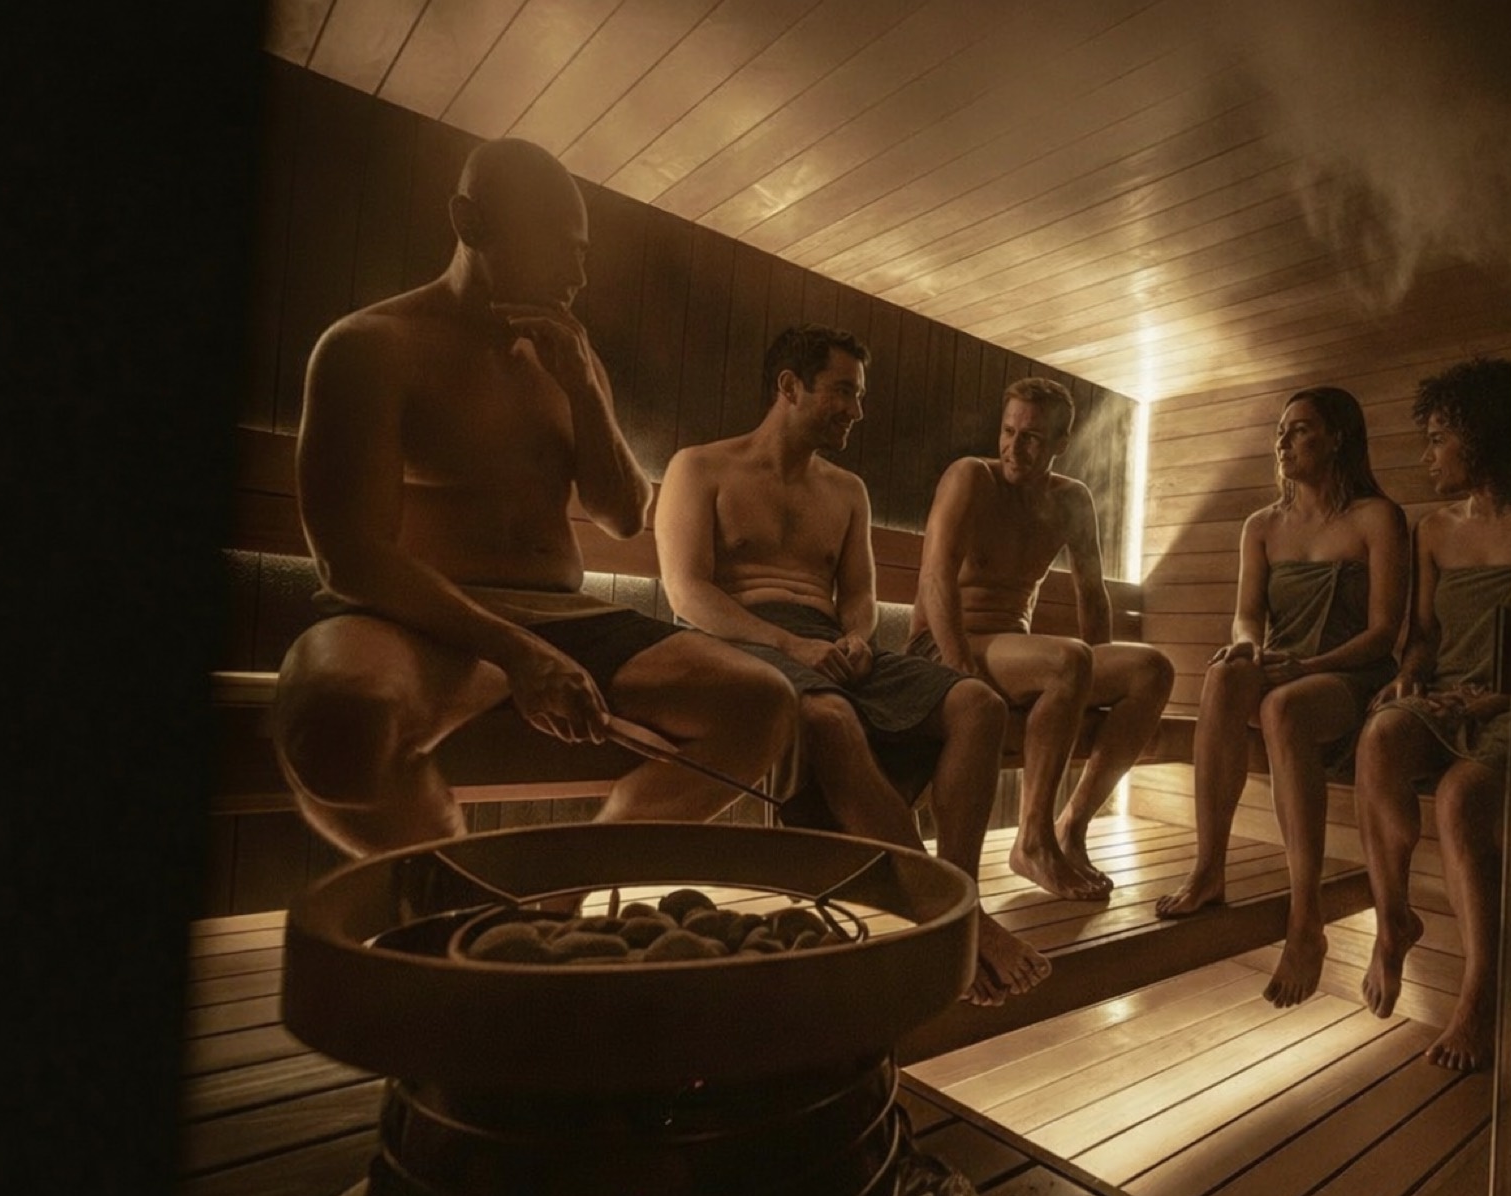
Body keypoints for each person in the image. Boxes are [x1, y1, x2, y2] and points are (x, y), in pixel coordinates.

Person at [270, 138, 796, 858]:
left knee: (762, 702)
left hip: (569, 618)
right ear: (469, 222)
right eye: (558, 245)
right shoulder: (370, 347)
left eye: (583, 251)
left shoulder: (570, 354)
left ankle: (559, 893)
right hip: (423, 618)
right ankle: (452, 896)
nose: (579, 273)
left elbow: (622, 513)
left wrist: (582, 386)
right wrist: (516, 653)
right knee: (333, 723)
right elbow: (349, 558)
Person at [653, 324, 1051, 1006]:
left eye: (859, 396)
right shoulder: (701, 468)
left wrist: (858, 637)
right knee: (830, 716)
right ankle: (956, 919)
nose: (856, 411)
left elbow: (859, 596)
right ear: (789, 387)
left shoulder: (848, 490)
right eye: (843, 392)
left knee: (976, 703)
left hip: (828, 645)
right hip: (737, 642)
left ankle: (959, 896)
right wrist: (790, 647)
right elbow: (688, 593)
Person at [1353, 356, 1511, 1071]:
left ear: (1481, 438)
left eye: (1437, 439)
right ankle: (1393, 918)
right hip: (1448, 694)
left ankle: (1477, 991)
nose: (1426, 456)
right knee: (1381, 733)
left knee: (1458, 797)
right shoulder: (1432, 531)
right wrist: (1410, 675)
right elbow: (1422, 635)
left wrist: (1499, 695)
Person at [1154, 388, 1409, 1008]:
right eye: (1281, 431)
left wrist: (1309, 665)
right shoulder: (1261, 527)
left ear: (1338, 438)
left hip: (1349, 678)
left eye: (1300, 430)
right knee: (1223, 675)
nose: (1283, 442)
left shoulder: (1376, 517)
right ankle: (1209, 867)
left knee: (1282, 707)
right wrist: (1246, 649)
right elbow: (1246, 618)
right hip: (1284, 668)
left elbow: (1384, 631)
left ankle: (1306, 921)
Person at [908, 378, 1174, 900]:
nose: (1014, 447)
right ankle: (1031, 841)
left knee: (1152, 669)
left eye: (1031, 437)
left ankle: (1070, 828)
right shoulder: (970, 478)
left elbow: (1093, 598)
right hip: (943, 648)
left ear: (1060, 443)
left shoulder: (1073, 500)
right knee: (1067, 659)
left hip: (1015, 656)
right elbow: (935, 579)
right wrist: (961, 670)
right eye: (1008, 431)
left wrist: (1091, 692)